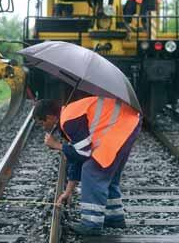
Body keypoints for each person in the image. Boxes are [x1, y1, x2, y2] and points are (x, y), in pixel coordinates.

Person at [33, 96, 142, 235]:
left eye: (41, 123)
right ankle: (114, 218)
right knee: (107, 171)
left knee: (92, 171)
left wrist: (57, 145)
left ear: (49, 117)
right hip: (127, 124)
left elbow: (84, 154)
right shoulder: (68, 117)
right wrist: (68, 191)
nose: (43, 128)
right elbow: (76, 158)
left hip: (123, 126)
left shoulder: (69, 120)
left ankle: (91, 225)